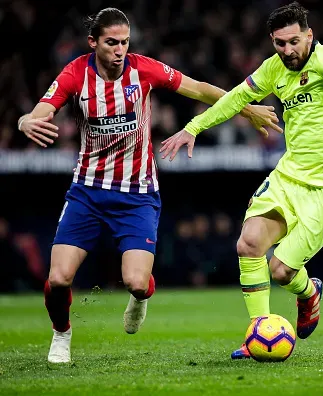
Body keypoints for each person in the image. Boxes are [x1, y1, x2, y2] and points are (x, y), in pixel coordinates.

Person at [17, 7, 280, 364]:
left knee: (137, 283)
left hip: (138, 194)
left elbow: (199, 89)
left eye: (125, 42)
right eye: (112, 42)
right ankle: (61, 334)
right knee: (59, 278)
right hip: (88, 191)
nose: (120, 49)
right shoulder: (75, 73)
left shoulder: (144, 68)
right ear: (93, 42)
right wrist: (24, 122)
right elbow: (40, 111)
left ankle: (140, 299)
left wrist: (248, 109)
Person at [160, 1, 323, 359]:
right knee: (248, 244)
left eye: (294, 42)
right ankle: (257, 335)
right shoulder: (273, 69)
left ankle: (309, 293)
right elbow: (236, 98)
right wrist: (193, 127)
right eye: (280, 43)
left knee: (281, 270)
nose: (288, 50)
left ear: (309, 36)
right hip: (289, 174)